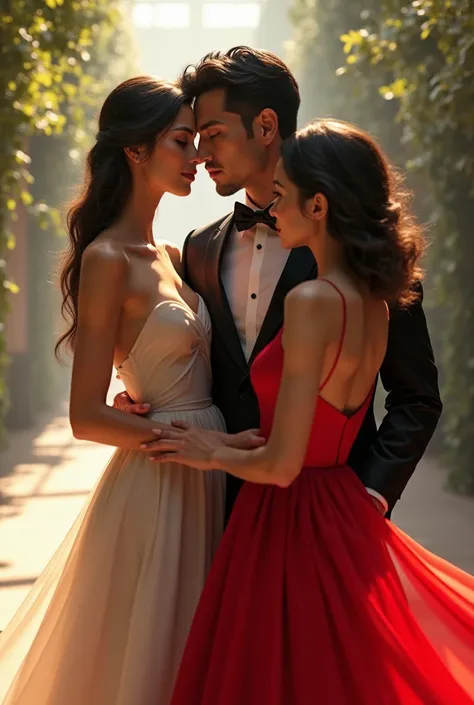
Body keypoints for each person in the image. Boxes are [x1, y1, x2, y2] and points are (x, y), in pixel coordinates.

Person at [152, 119, 474, 705]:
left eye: (283, 197)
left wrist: (210, 451)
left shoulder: (310, 302)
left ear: (318, 204)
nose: (274, 211)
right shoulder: (375, 299)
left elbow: (281, 466)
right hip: (342, 510)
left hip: (287, 518)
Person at [0, 76, 261, 705]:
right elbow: (86, 417)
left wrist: (215, 446)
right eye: (181, 142)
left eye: (199, 142)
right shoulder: (107, 258)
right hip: (160, 484)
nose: (197, 156)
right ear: (136, 151)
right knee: (151, 656)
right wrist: (203, 439)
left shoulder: (173, 254)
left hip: (207, 473)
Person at [123, 46, 442, 523]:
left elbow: (416, 395)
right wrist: (140, 398)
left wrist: (370, 497)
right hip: (212, 509)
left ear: (267, 126)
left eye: (213, 134)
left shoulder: (359, 251)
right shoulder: (199, 250)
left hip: (329, 513)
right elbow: (190, 363)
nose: (201, 153)